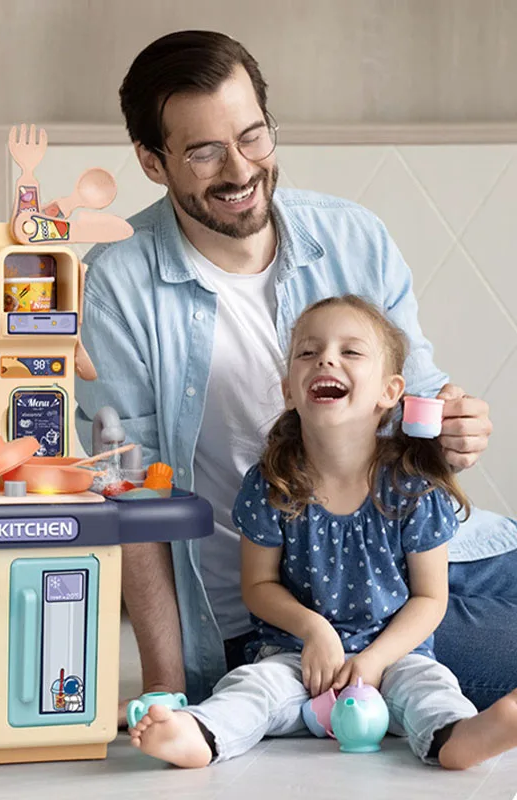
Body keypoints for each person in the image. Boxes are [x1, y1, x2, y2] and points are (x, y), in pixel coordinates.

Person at [74, 30, 517, 714]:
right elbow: (133, 500)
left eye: (253, 136)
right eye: (203, 151)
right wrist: (170, 689)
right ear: (153, 162)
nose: (240, 169)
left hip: (431, 553)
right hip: (300, 617)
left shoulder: (352, 236)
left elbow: (419, 402)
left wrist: (455, 428)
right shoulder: (115, 285)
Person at [128, 296, 517, 770]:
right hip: (296, 654)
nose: (326, 359)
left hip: (394, 654)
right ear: (289, 388)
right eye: (308, 353)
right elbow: (258, 586)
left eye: (350, 352)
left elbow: (431, 599)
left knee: (430, 689)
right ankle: (198, 733)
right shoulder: (271, 483)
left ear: (391, 391)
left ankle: (460, 736)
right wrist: (313, 630)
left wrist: (374, 661)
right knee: (253, 687)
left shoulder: (412, 486)